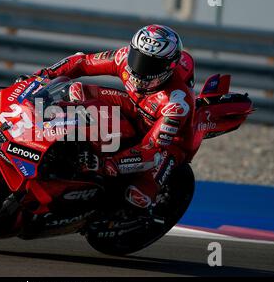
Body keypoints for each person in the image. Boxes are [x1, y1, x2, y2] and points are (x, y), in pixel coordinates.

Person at [18, 24, 196, 213]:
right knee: (73, 91)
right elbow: (82, 62)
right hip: (136, 108)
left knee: (138, 196)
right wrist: (41, 77)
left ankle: (130, 218)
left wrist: (109, 165)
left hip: (168, 143)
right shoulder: (123, 58)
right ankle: (54, 137)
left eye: (150, 65)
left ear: (169, 67)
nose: (139, 69)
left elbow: (152, 150)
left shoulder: (176, 104)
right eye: (138, 58)